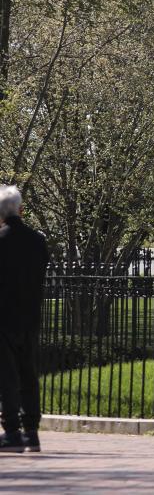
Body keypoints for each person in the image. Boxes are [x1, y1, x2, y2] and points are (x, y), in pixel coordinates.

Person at [0, 184, 48, 454]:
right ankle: (32, 431)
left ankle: (12, 432)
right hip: (30, 316)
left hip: (4, 318)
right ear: (21, 209)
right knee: (28, 373)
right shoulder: (37, 240)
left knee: (7, 376)